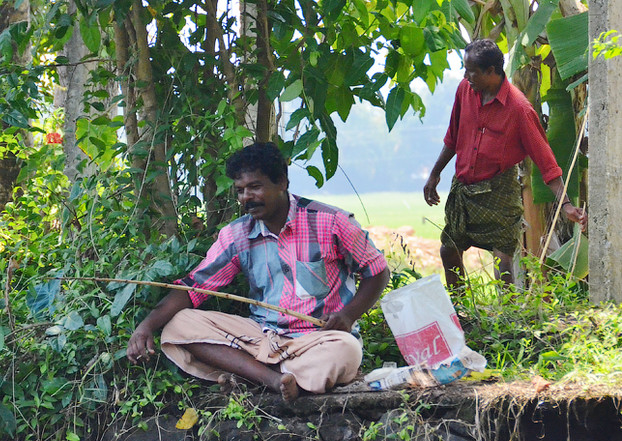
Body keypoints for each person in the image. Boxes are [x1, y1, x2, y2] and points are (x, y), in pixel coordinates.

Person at [127, 142, 390, 402]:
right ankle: (274, 380)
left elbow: (377, 272)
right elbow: (193, 288)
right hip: (261, 338)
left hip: (319, 340)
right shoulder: (237, 234)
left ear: (282, 183)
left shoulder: (331, 221)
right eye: (240, 190)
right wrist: (145, 327)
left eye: (255, 187)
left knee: (346, 352)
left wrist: (348, 315)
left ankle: (252, 374)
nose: (246, 198)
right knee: (178, 325)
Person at [423, 39, 588, 288]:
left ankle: (506, 314)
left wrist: (565, 205)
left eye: (471, 71)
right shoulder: (464, 91)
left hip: (500, 192)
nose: (466, 76)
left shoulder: (520, 109)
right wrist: (435, 174)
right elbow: (453, 135)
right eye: (465, 69)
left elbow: (547, 163)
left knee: (503, 261)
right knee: (448, 251)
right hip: (464, 191)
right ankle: (461, 309)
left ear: (491, 72)